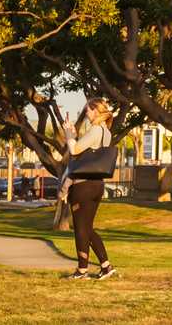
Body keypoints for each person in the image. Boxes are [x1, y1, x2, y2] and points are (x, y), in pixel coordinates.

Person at [61, 97, 116, 280]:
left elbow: (75, 151)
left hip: (83, 186)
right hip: (98, 184)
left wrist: (68, 135)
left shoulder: (95, 130)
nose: (86, 112)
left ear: (95, 111)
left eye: (88, 110)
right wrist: (74, 134)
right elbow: (87, 153)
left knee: (81, 228)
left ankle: (82, 270)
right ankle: (106, 266)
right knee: (87, 228)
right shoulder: (106, 132)